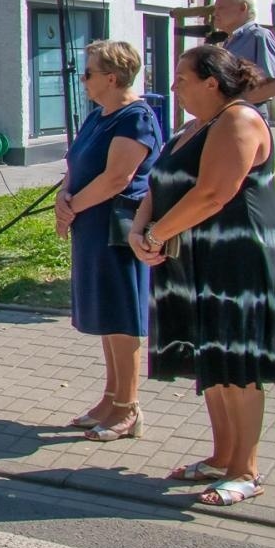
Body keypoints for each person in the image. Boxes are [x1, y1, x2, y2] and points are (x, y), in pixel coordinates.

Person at [133, 45, 275, 506]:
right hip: (196, 258)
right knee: (213, 358)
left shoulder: (239, 119)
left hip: (240, 257)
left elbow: (214, 193)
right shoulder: (192, 128)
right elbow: (160, 184)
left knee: (238, 362)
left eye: (182, 78)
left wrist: (155, 235)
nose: (174, 87)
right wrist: (140, 230)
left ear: (212, 82)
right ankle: (221, 457)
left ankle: (245, 470)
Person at [53, 40, 163, 442]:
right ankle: (111, 396)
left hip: (119, 228)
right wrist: (64, 200)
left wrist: (74, 206)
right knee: (104, 315)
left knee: (121, 316)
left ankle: (128, 407)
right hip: (90, 223)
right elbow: (75, 163)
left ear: (112, 78)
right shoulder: (99, 115)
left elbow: (118, 177)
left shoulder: (135, 118)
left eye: (88, 73)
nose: (82, 80)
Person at [213, 0, 275, 107]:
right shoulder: (229, 40)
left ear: (243, 7)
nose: (215, 13)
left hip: (247, 117)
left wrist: (233, 102)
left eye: (221, 8)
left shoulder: (259, 35)